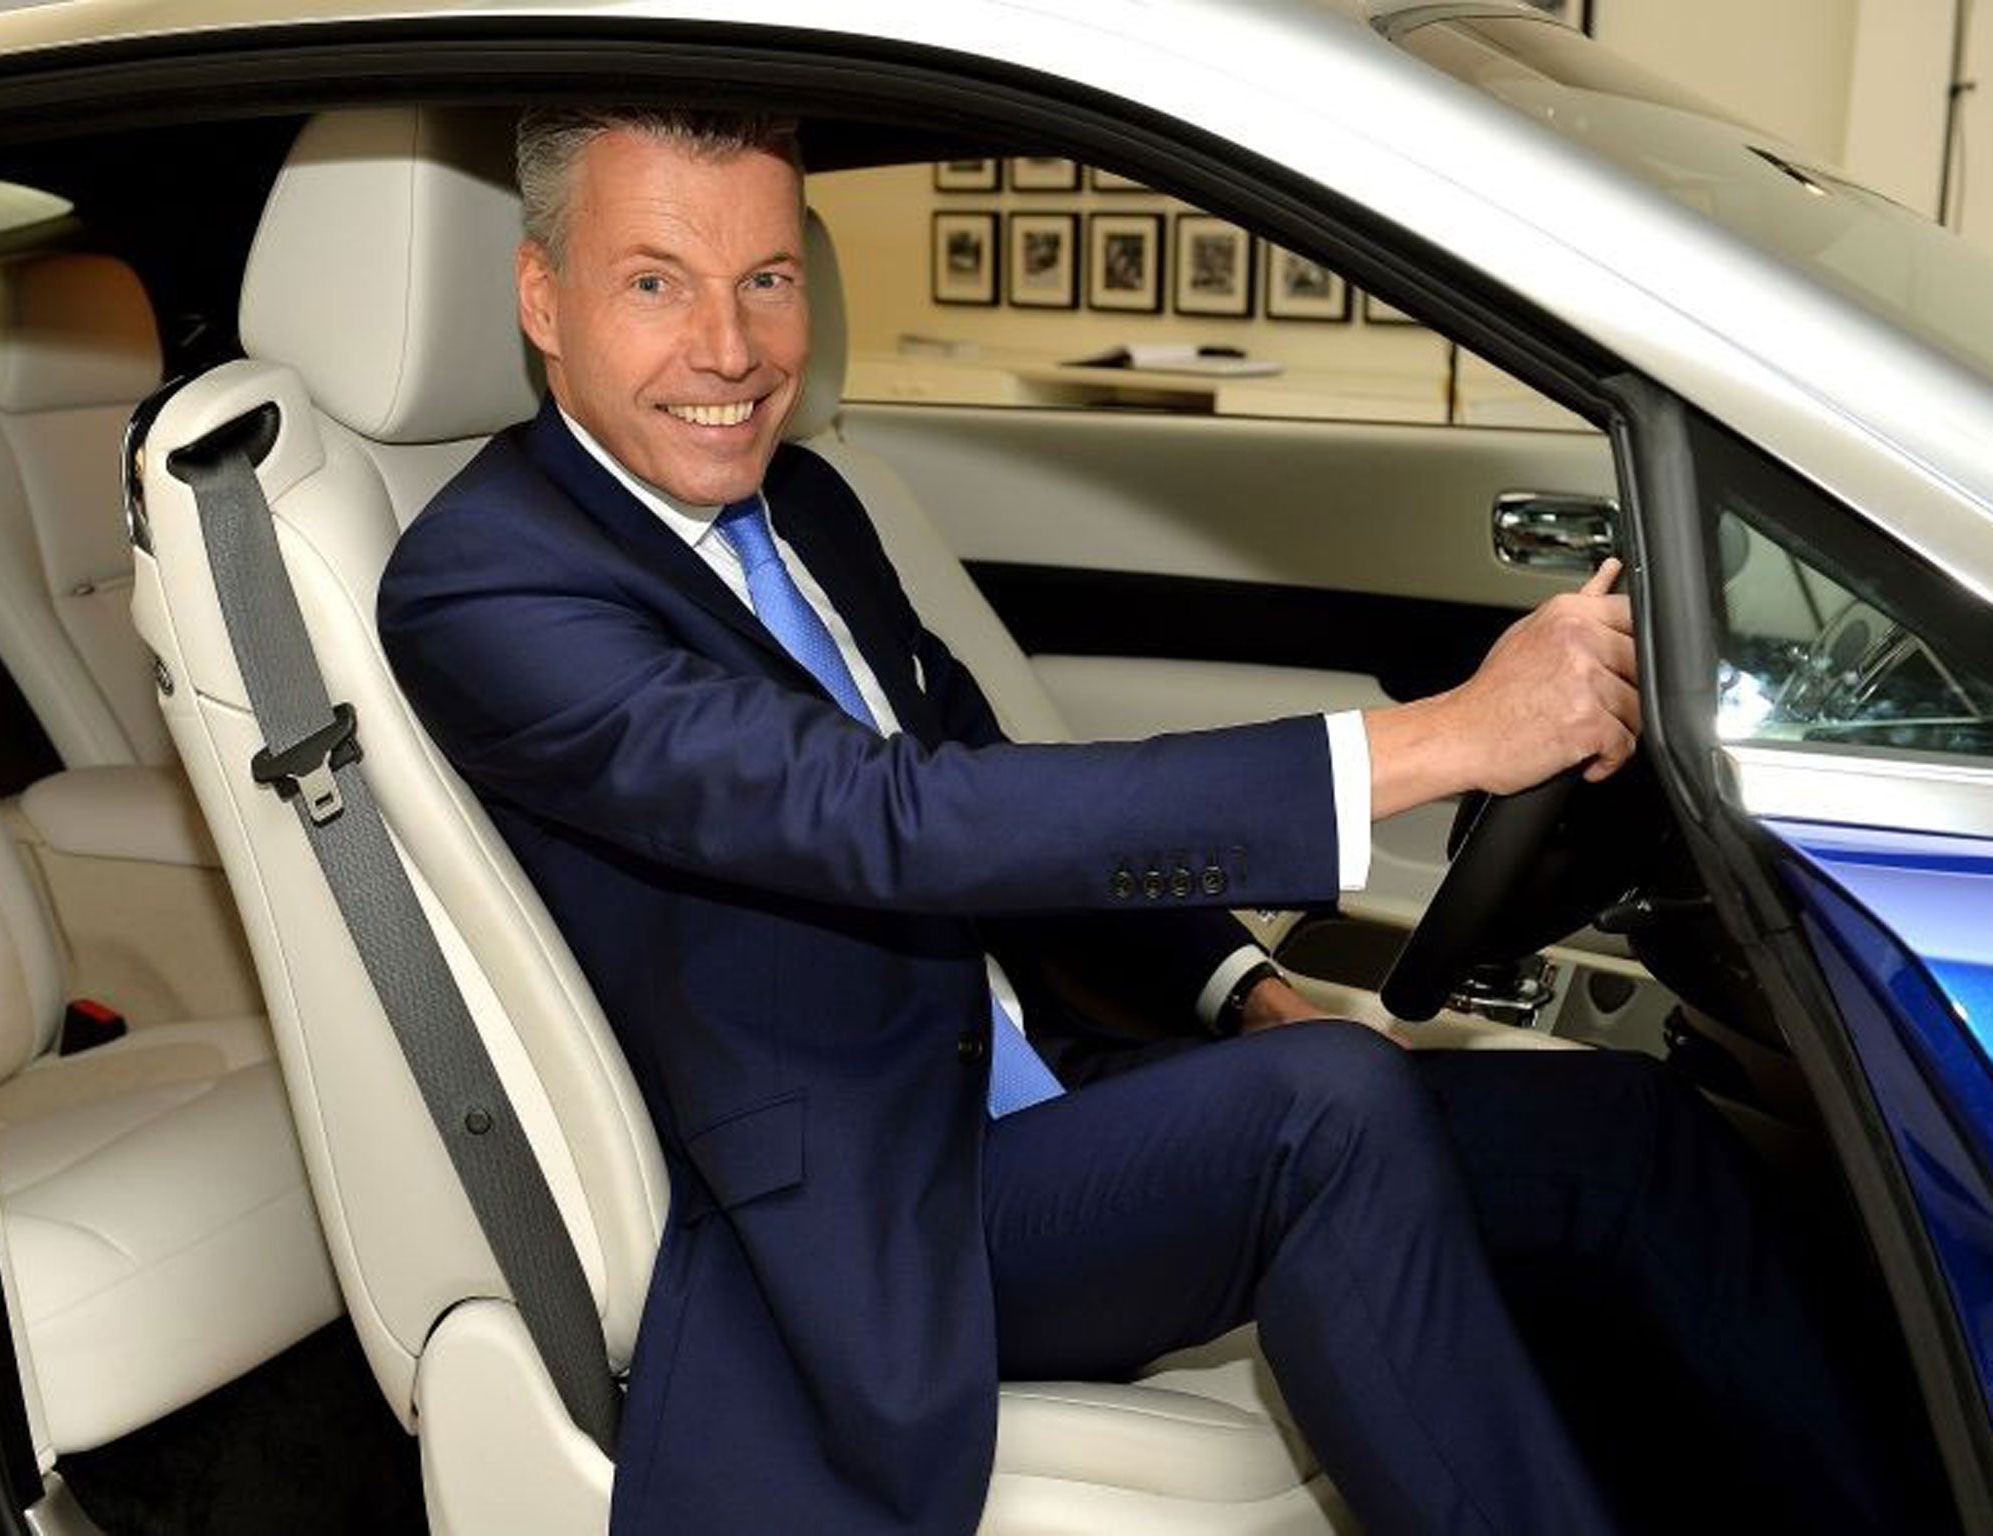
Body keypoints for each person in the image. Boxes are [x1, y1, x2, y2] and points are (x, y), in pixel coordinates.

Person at [377, 107, 1937, 1536]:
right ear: (541, 301)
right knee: (1328, 1117)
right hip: (871, 1210)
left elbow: (987, 779)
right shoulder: (487, 585)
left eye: (769, 279)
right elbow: (889, 819)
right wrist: (1445, 737)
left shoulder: (808, 506)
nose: (730, 347)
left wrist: (1241, 989)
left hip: (1057, 1089)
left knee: (1631, 1133)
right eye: (657, 284)